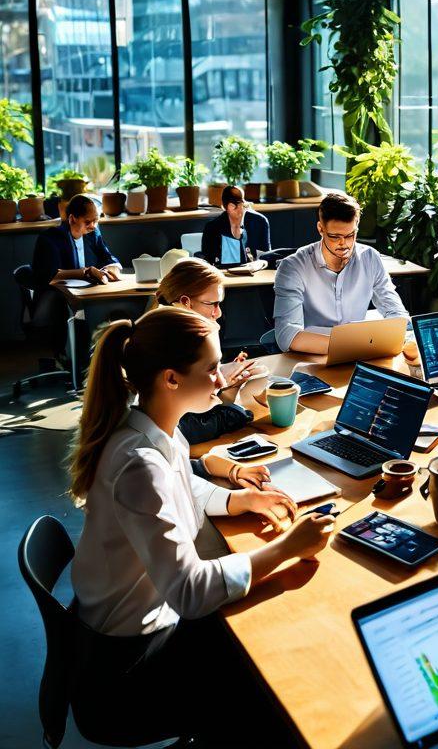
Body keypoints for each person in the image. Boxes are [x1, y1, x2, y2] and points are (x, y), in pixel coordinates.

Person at [67, 308, 334, 746]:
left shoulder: (155, 432)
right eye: (211, 369)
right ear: (171, 379)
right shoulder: (139, 465)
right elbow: (190, 591)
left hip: (140, 630)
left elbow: (182, 486)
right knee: (273, 686)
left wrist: (237, 498)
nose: (221, 379)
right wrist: (286, 548)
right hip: (123, 673)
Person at [153, 258, 268, 449]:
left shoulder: (161, 324)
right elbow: (189, 428)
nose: (219, 313)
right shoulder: (178, 340)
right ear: (185, 302)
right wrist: (232, 404)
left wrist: (220, 374)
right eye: (212, 304)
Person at [273, 191, 406, 355]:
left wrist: (401, 337)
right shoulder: (293, 267)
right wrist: (351, 347)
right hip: (310, 357)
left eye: (351, 235)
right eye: (335, 236)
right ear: (321, 229)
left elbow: (397, 314)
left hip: (359, 354)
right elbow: (286, 336)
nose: (344, 244)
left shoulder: (370, 258)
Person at [31, 193, 121, 291]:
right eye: (87, 222)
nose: (93, 226)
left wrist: (112, 268)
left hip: (86, 293)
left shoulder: (93, 234)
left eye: (96, 221)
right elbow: (50, 275)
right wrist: (86, 272)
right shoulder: (49, 239)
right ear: (72, 219)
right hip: (55, 296)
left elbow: (109, 258)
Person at [200, 185, 271, 266]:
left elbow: (267, 257)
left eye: (243, 204)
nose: (242, 209)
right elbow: (208, 262)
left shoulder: (259, 222)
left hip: (256, 273)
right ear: (226, 207)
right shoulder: (212, 227)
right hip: (223, 274)